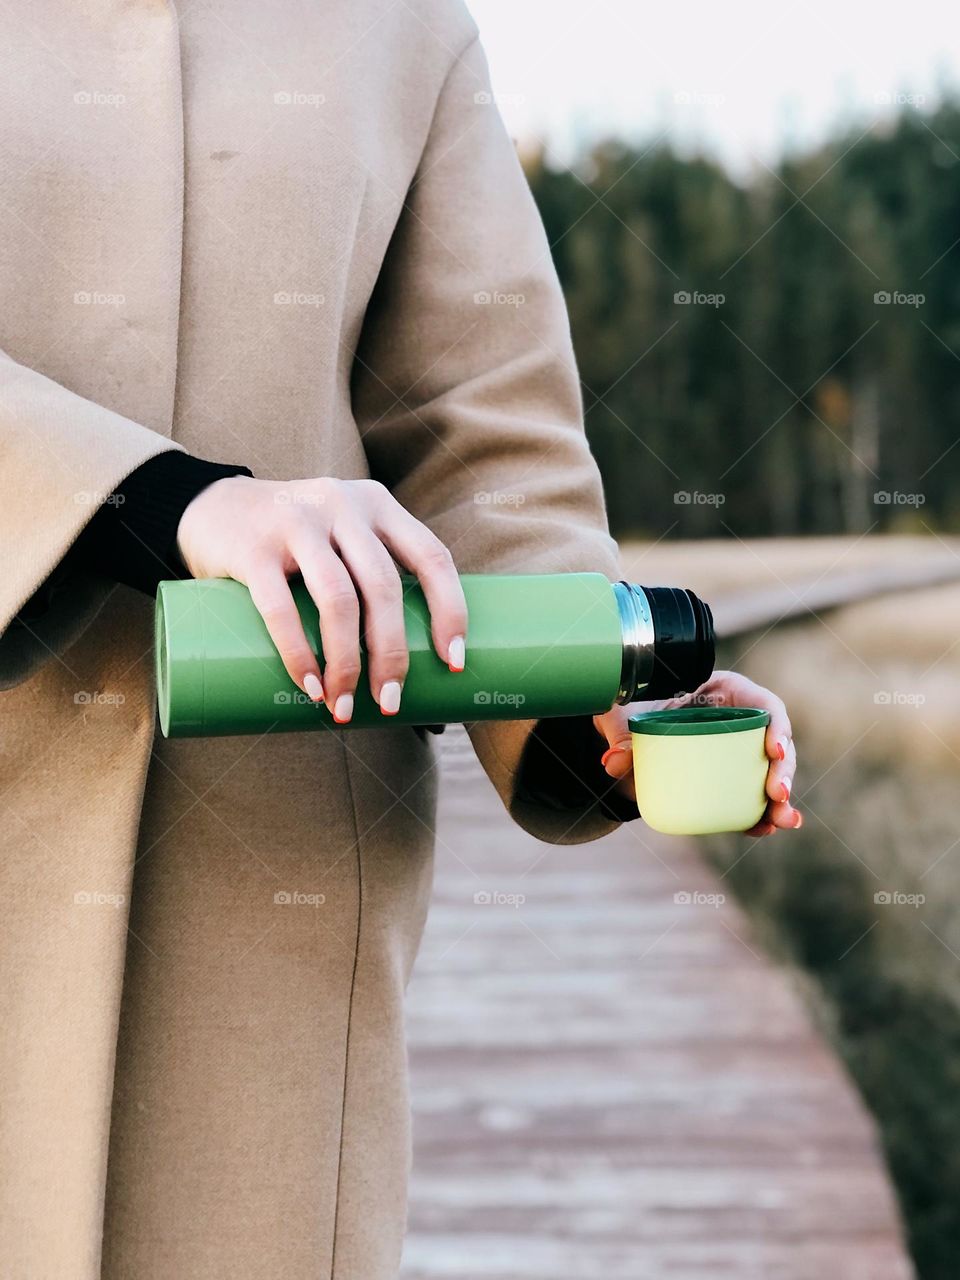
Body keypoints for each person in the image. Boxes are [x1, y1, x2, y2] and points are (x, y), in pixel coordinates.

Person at [0, 2, 799, 1276]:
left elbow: (485, 440)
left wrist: (588, 689)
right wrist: (161, 497)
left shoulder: (399, 24)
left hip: (266, 899)